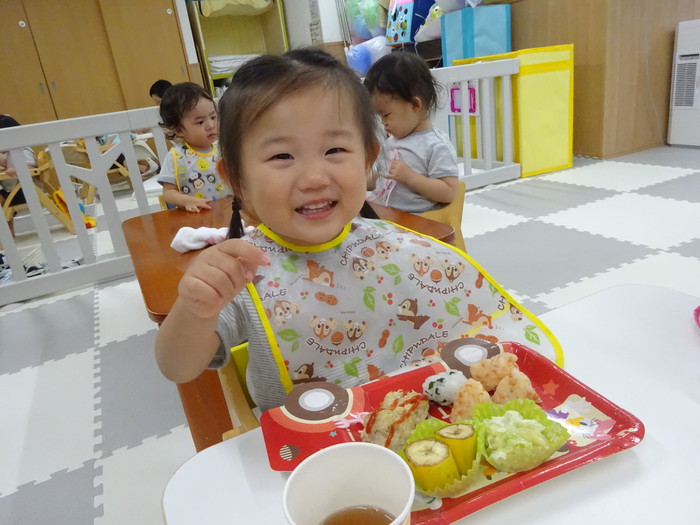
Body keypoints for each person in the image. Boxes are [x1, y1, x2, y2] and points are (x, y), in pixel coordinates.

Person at [154, 50, 558, 413]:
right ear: (237, 179)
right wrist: (194, 310)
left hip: (413, 421)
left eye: (334, 150)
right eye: (282, 155)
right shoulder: (242, 269)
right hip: (305, 448)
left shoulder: (394, 245)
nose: (314, 177)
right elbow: (177, 367)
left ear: (367, 160)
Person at [364, 52, 460, 213]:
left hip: (416, 220)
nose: (382, 122)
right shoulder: (391, 142)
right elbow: (383, 179)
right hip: (384, 214)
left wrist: (410, 178)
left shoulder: (436, 145)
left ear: (415, 105)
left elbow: (449, 192)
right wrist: (359, 181)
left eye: (386, 115)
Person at [156, 82, 232, 212]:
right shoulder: (177, 156)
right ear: (179, 130)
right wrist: (186, 201)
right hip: (198, 216)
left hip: (228, 211)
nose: (211, 125)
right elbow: (168, 192)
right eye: (200, 122)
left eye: (213, 117)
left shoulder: (222, 147)